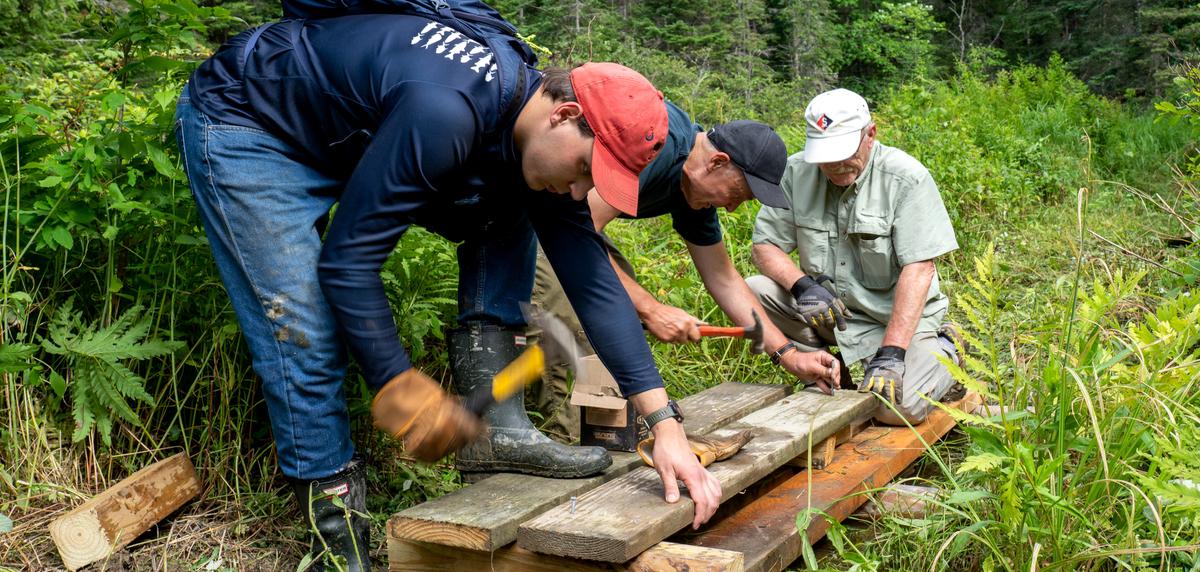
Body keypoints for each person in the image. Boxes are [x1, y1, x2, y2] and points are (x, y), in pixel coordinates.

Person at [176, 6, 721, 569]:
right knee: (306, 329)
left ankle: (493, 441)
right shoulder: (446, 111)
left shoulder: (534, 135)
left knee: (516, 207)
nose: (581, 190)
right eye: (586, 169)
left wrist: (666, 426)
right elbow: (348, 264)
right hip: (251, 122)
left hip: (347, 129)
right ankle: (338, 548)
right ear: (564, 115)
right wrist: (406, 394)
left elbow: (593, 287)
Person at [527, 103, 843, 443]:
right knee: (563, 309)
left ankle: (602, 431)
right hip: (538, 217)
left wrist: (790, 355)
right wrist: (652, 308)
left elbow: (723, 278)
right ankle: (562, 440)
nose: (733, 207)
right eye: (737, 194)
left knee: (619, 303)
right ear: (717, 162)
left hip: (568, 220)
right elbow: (576, 229)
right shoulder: (656, 147)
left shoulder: (693, 189)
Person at [748, 88, 964, 427]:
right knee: (750, 292)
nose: (834, 165)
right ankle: (827, 375)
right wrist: (802, 286)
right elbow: (764, 246)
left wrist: (892, 353)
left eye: (842, 153)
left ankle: (946, 349)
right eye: (825, 156)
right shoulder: (796, 172)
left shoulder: (906, 178)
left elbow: (920, 269)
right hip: (833, 313)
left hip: (893, 321)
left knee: (895, 409)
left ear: (871, 135)